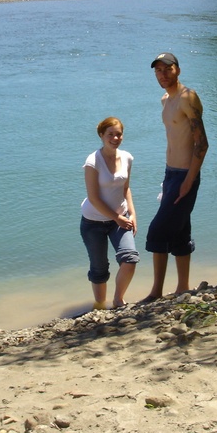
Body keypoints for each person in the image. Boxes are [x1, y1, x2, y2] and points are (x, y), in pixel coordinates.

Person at [143, 52, 209, 302]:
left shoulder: (187, 98)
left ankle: (156, 292)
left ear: (178, 70)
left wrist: (189, 181)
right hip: (171, 173)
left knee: (157, 232)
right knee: (180, 232)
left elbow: (201, 145)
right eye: (158, 70)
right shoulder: (165, 99)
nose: (162, 74)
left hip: (184, 175)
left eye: (167, 69)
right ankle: (183, 288)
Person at [80, 117, 140, 310]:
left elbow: (126, 189)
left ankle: (118, 300)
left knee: (129, 259)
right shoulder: (92, 162)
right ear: (101, 136)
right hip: (93, 222)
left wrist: (132, 215)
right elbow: (94, 198)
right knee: (99, 269)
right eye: (110, 134)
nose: (115, 138)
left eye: (118, 134)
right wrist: (117, 218)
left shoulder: (127, 158)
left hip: (120, 220)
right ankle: (99, 307)